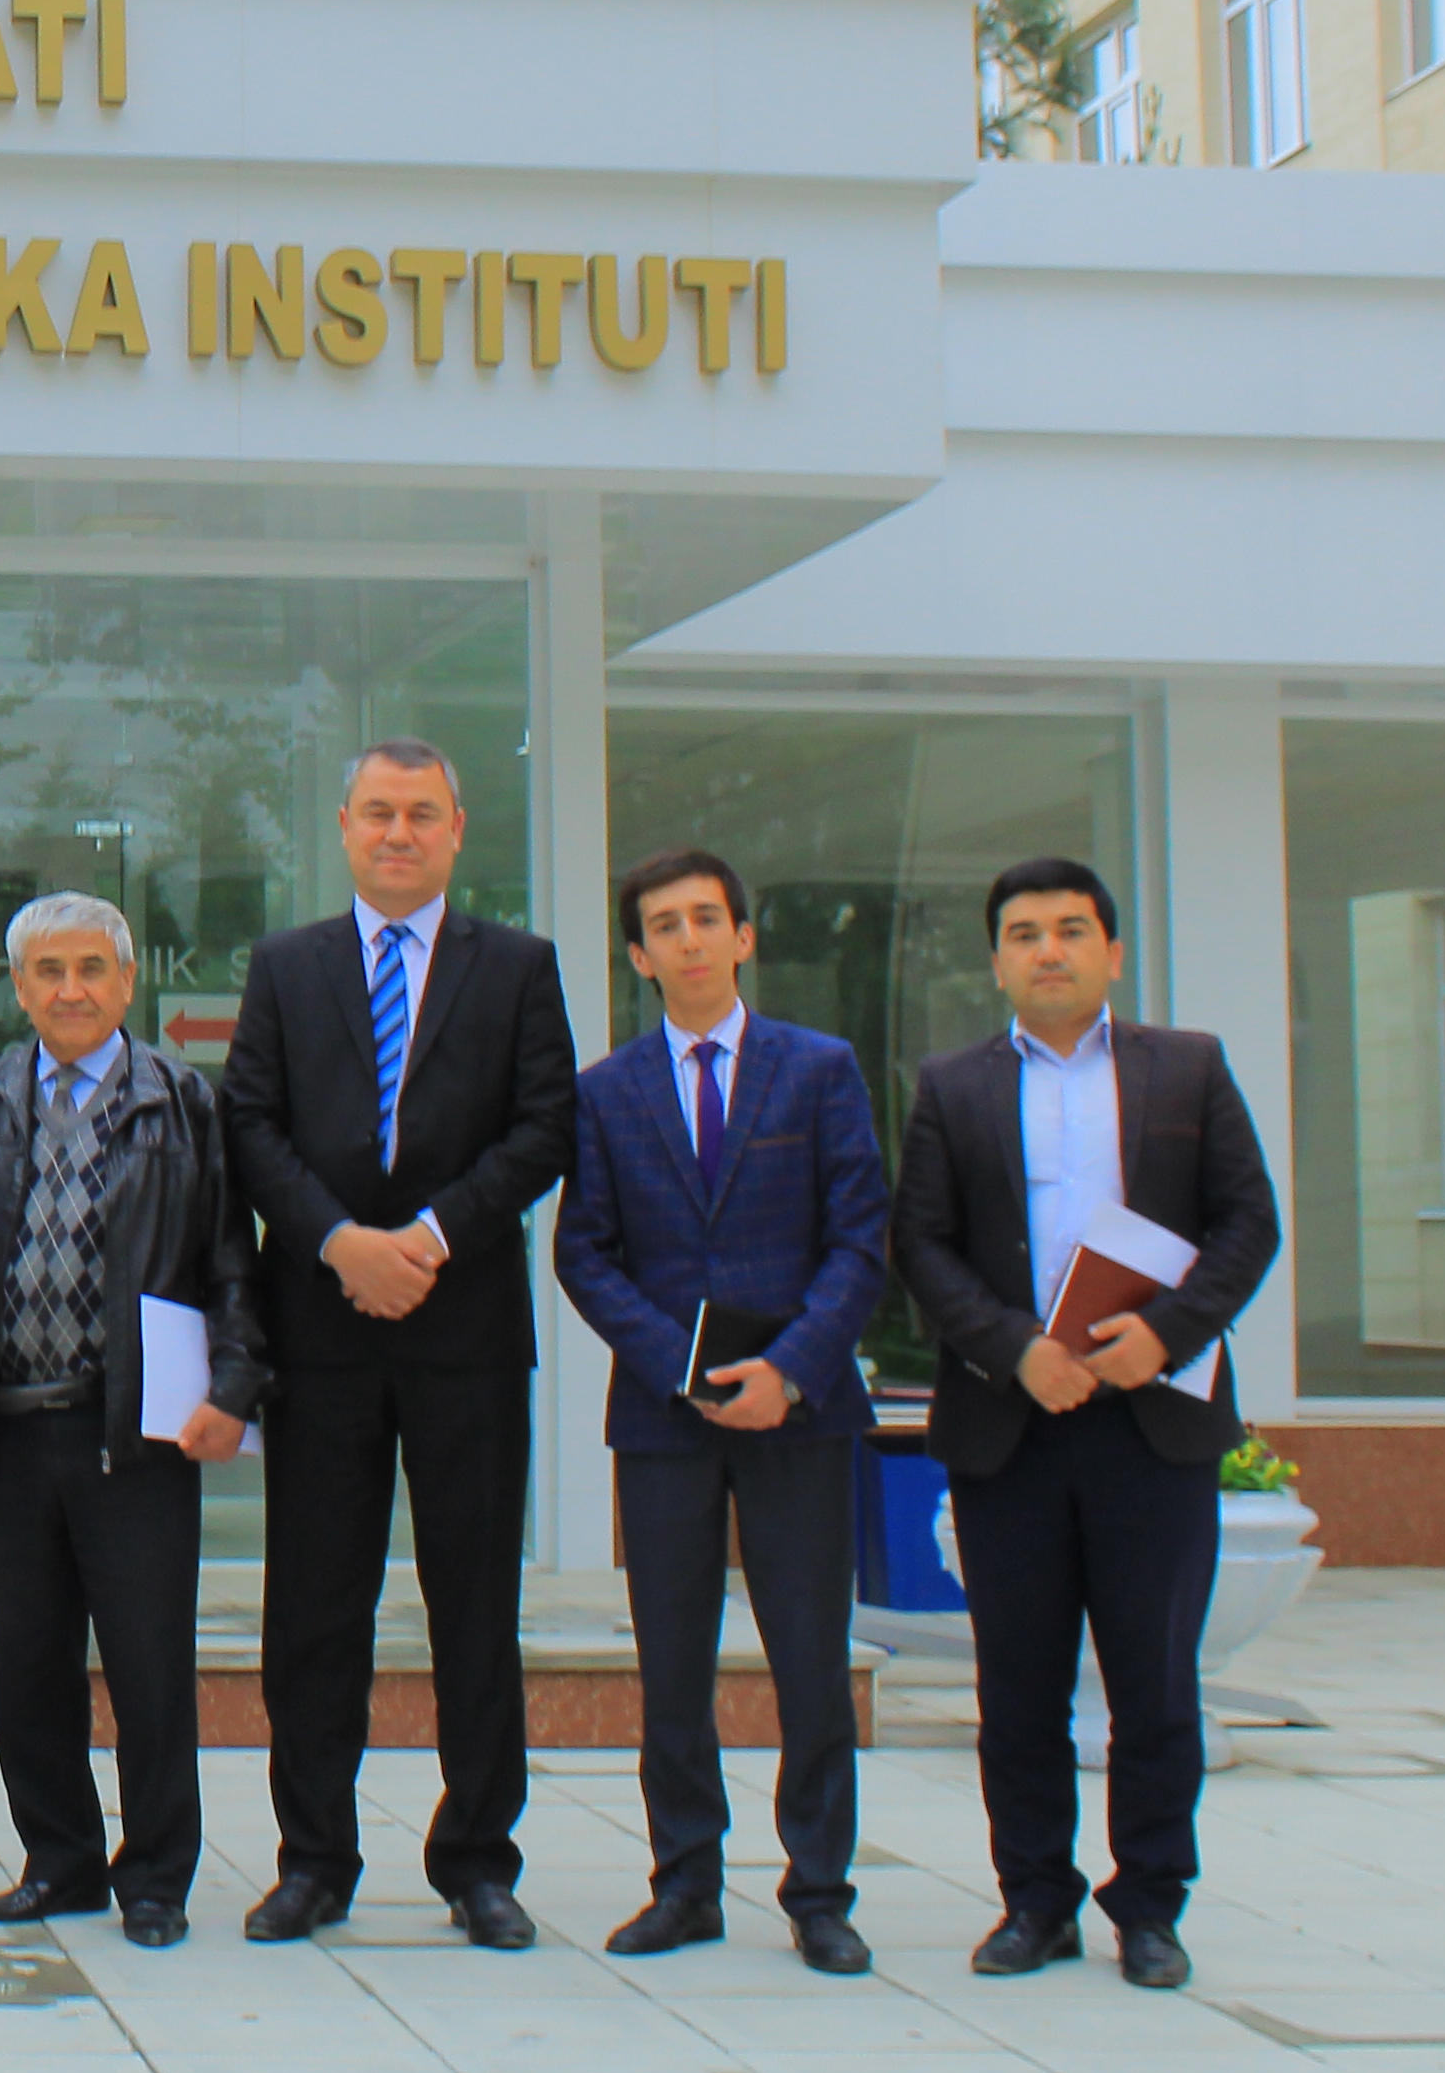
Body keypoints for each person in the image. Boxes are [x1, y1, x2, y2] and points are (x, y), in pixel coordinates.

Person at [892, 856, 1280, 1991]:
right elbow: (921, 1244)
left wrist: (1167, 1334)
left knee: (1154, 1684)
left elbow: (1247, 1223)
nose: (1048, 950)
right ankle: (1035, 1902)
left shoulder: (1189, 1068)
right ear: (997, 962)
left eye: (1070, 929)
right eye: (1024, 933)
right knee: (1018, 1686)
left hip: (1152, 1420)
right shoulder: (952, 1086)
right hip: (1011, 1422)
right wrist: (1016, 1348)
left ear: (1112, 950)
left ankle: (1150, 1908)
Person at [222, 738, 578, 1947]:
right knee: (316, 1608)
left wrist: (424, 1239)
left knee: (473, 1603)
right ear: (343, 827)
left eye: (422, 813)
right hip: (321, 1333)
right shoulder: (288, 965)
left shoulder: (518, 967)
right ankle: (314, 1858)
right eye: (378, 812)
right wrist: (340, 1243)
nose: (398, 833)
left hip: (464, 1329)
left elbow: (544, 1128)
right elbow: (250, 1124)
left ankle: (477, 1860)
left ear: (456, 830)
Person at [548, 847, 892, 1975]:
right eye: (665, 924)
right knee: (673, 1664)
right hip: (666, 1420)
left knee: (810, 1657)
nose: (688, 937)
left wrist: (788, 1368)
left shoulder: (820, 1070)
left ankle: (821, 1891)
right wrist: (679, 1368)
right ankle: (685, 1883)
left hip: (801, 1411)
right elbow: (585, 1253)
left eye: (707, 918)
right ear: (639, 955)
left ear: (743, 938)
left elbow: (860, 1238)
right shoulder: (605, 1092)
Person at [0, 890, 259, 1950]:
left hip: (138, 1430)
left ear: (127, 981)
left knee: (148, 1665)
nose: (70, 990)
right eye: (48, 971)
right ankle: (59, 1862)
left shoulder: (185, 1102)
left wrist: (235, 1388)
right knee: (31, 1663)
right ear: (18, 987)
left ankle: (156, 1877)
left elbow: (231, 1259)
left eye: (90, 970)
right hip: (13, 1429)